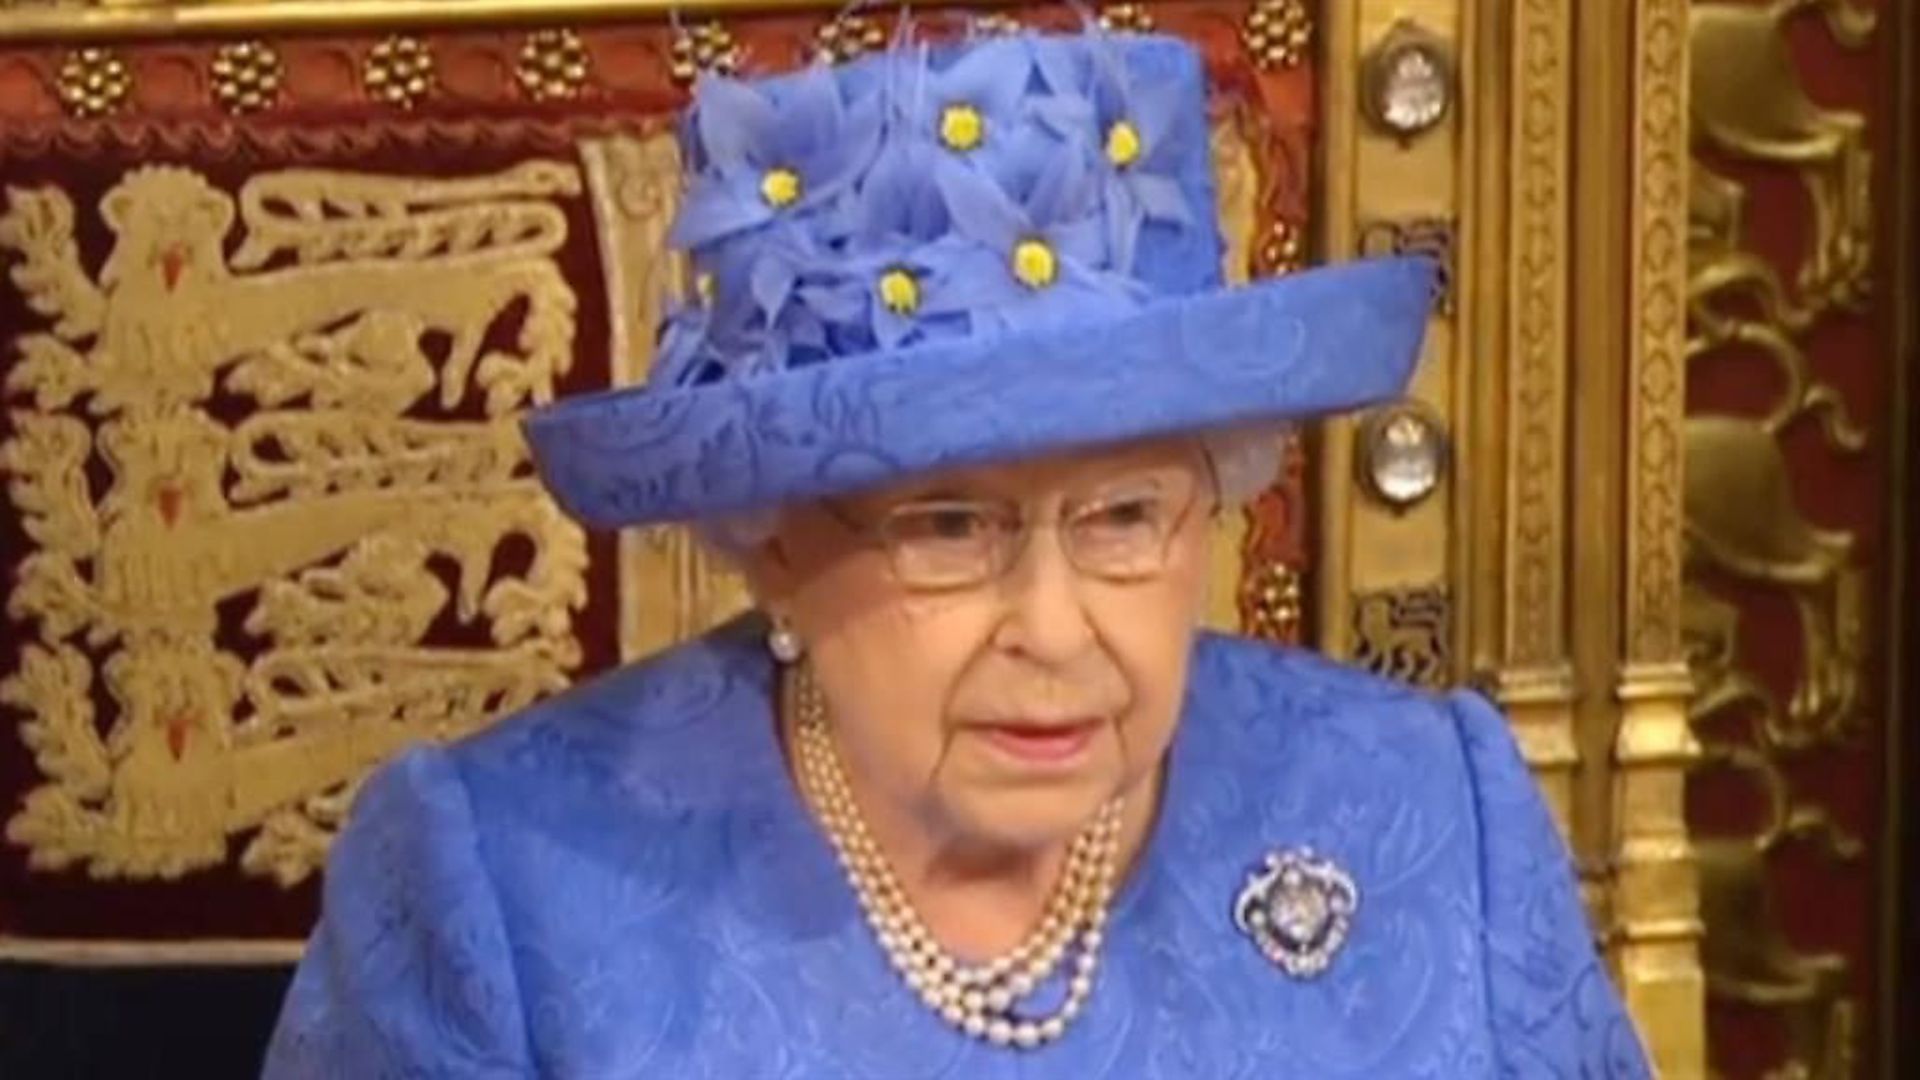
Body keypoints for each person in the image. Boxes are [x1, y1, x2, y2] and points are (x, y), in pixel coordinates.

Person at [264, 20, 1652, 1078]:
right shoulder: (508, 888)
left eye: (1123, 516)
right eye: (948, 527)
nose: (1053, 629)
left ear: (1212, 506)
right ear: (777, 549)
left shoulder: (1429, 812)